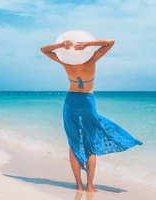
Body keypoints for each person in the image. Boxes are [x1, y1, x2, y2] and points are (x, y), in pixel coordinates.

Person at [40, 39, 143, 192]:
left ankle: (79, 185)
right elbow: (110, 42)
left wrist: (61, 45)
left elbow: (44, 49)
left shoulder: (66, 63)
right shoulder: (92, 59)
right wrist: (88, 44)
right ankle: (90, 186)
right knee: (90, 143)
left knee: (74, 143)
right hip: (87, 101)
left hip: (71, 102)